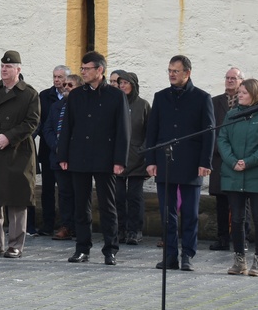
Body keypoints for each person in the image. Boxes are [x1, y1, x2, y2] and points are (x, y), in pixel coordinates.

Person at [58, 51, 129, 266]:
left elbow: (123, 131)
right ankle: (82, 248)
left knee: (108, 205)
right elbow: (67, 127)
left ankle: (110, 249)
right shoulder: (77, 95)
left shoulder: (116, 96)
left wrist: (120, 160)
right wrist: (63, 155)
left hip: (105, 158)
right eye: (82, 68)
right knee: (81, 205)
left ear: (100, 70)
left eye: (87, 68)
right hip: (79, 156)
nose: (83, 72)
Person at [146, 55, 215, 271]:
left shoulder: (202, 98)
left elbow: (209, 133)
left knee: (190, 213)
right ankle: (169, 255)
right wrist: (151, 160)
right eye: (169, 70)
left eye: (176, 71)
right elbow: (152, 131)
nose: (172, 74)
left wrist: (205, 162)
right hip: (165, 162)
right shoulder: (160, 97)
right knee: (167, 214)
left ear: (187, 73)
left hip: (192, 163)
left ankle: (188, 255)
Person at [0, 50, 40, 259]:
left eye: (9, 67)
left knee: (17, 200)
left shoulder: (29, 94)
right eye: (2, 66)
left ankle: (15, 245)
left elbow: (32, 121)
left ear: (18, 70)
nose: (4, 70)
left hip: (17, 152)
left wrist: (8, 137)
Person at [218, 78, 258, 277]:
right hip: (233, 173)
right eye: (239, 92)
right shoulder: (232, 115)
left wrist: (249, 161)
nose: (239, 95)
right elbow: (222, 139)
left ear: (254, 93)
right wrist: (232, 160)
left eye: (243, 92)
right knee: (237, 218)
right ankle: (239, 261)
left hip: (257, 175)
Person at [44, 74, 83, 242]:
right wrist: (58, 147)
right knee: (64, 193)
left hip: (77, 158)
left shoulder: (83, 107)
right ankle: (66, 225)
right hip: (59, 157)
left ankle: (79, 227)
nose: (66, 87)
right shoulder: (56, 107)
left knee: (79, 193)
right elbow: (48, 129)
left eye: (70, 85)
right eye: (65, 85)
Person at [209, 67, 244, 251]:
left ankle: (242, 239)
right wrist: (218, 150)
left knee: (240, 200)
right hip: (219, 158)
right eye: (228, 78)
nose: (230, 81)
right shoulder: (214, 102)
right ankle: (222, 238)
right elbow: (210, 129)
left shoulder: (246, 102)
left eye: (234, 78)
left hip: (239, 159)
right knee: (221, 202)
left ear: (241, 81)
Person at [115, 71, 150, 245]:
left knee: (135, 196)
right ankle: (120, 229)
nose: (122, 86)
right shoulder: (115, 103)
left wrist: (143, 150)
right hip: (118, 158)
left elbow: (149, 131)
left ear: (133, 85)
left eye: (125, 83)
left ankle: (135, 230)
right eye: (120, 83)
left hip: (138, 159)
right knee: (118, 195)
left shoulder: (143, 105)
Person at [36, 65, 70, 236]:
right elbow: (42, 123)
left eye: (60, 77)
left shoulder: (73, 96)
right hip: (48, 149)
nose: (57, 80)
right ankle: (47, 223)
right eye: (55, 76)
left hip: (68, 153)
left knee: (65, 189)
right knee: (47, 189)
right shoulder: (44, 96)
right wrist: (54, 144)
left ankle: (66, 224)